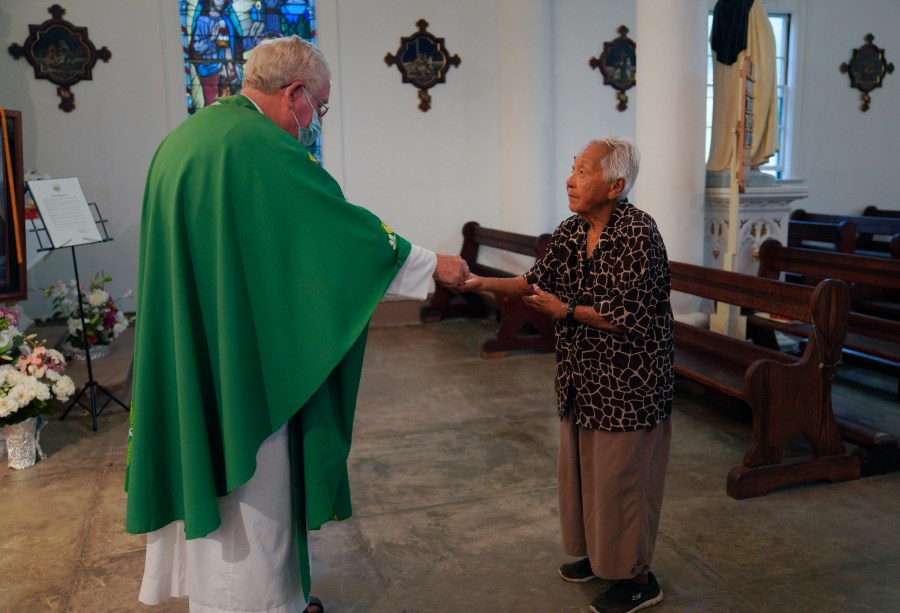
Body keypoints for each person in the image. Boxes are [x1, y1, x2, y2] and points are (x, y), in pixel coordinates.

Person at [124, 35, 468, 613]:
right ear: (295, 95)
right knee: (250, 501)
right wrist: (432, 263)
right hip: (245, 364)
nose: (314, 122)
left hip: (203, 344)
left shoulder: (188, 138)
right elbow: (335, 233)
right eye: (320, 107)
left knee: (215, 480)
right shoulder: (260, 147)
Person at [466, 138, 674, 613]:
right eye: (573, 168)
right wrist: (478, 282)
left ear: (616, 184)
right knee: (585, 477)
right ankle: (603, 559)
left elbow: (627, 313)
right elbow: (534, 281)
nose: (570, 179)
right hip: (583, 380)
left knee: (624, 483)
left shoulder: (638, 233)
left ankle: (639, 577)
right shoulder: (572, 230)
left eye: (583, 171)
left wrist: (565, 310)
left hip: (630, 385)